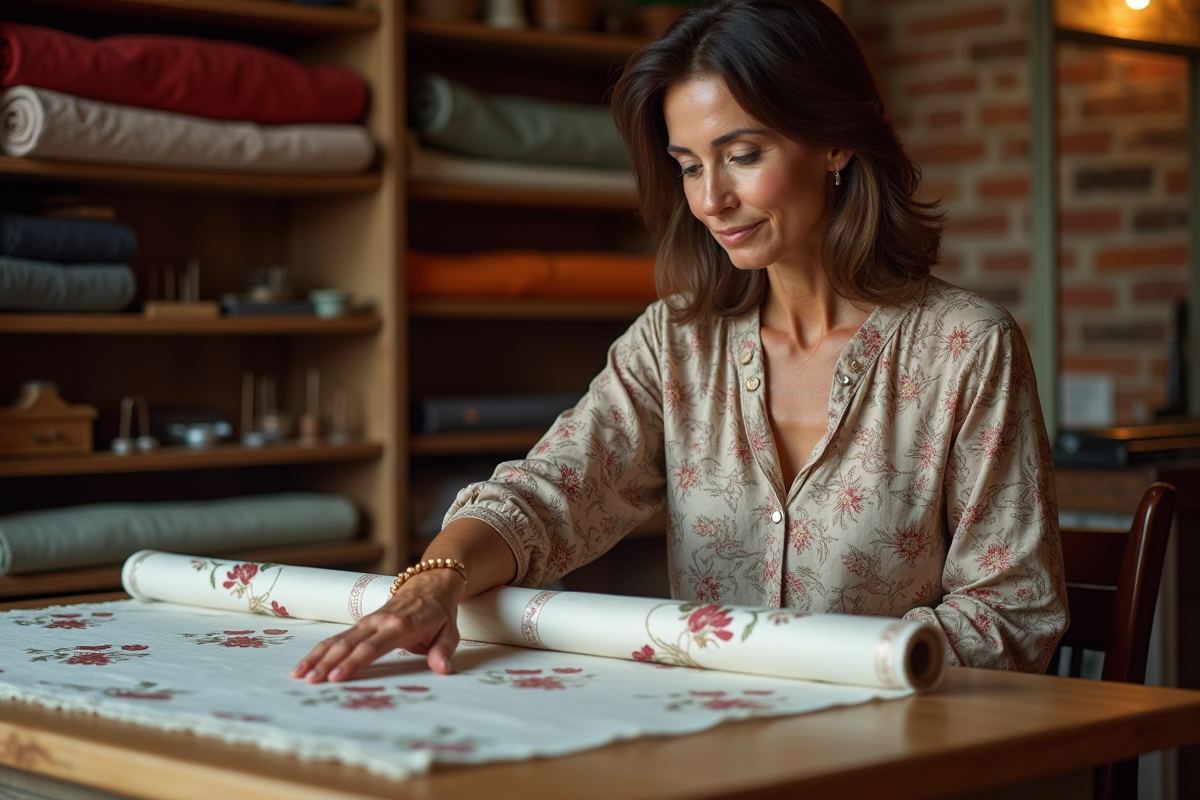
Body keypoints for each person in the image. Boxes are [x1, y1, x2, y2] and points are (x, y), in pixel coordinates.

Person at [293, 0, 1067, 684]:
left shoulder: (968, 348)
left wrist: (824, 671)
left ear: (835, 142)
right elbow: (553, 492)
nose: (710, 200)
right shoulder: (676, 342)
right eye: (689, 165)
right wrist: (439, 577)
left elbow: (1013, 612)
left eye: (742, 155)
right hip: (714, 740)